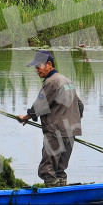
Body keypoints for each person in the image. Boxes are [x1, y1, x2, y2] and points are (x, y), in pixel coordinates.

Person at [16, 50, 84, 187]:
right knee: (60, 168)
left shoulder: (51, 82)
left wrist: (26, 117)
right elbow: (80, 106)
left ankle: (52, 193)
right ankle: (62, 192)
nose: (36, 71)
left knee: (47, 169)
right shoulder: (67, 81)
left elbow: (40, 105)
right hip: (71, 131)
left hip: (56, 131)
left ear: (49, 64)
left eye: (38, 67)